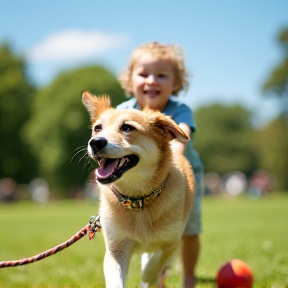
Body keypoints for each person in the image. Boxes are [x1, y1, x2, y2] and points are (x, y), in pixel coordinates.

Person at [116, 41, 204, 288]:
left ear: (176, 82)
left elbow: (179, 138)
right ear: (130, 79)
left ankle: (188, 276)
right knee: (143, 225)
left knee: (189, 229)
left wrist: (174, 152)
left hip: (184, 177)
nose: (151, 80)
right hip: (139, 180)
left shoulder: (179, 110)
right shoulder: (123, 112)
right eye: (143, 74)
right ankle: (156, 275)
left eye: (161, 75)